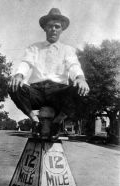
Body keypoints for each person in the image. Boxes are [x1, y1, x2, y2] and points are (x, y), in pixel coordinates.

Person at [8, 8, 90, 139]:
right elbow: (26, 63)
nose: (53, 29)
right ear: (45, 28)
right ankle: (34, 121)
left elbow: (74, 65)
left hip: (58, 93)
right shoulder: (34, 48)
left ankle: (57, 122)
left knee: (81, 89)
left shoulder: (67, 50)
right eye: (50, 26)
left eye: (57, 26)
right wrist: (18, 75)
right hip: (36, 92)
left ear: (62, 29)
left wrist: (80, 78)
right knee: (14, 86)